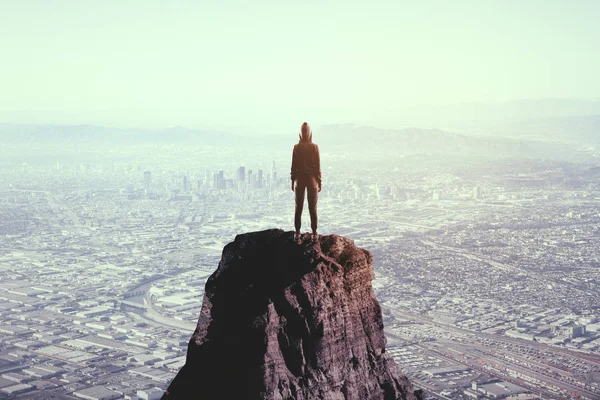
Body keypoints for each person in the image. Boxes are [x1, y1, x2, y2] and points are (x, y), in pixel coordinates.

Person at [290, 122, 321, 242]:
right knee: (313, 208)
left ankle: (297, 233)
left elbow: (293, 166)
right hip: (312, 179)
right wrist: (319, 182)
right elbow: (317, 166)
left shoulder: (296, 147)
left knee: (298, 208)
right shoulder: (314, 147)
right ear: (310, 133)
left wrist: (293, 181)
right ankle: (314, 234)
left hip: (299, 180)